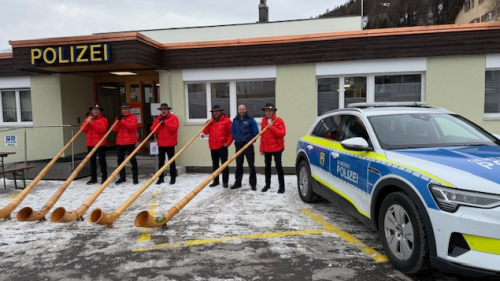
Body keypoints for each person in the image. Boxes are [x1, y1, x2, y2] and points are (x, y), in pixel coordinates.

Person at [203, 105, 233, 188]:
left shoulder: (227, 121)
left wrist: (228, 143)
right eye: (214, 111)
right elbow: (205, 132)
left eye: (217, 111)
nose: (216, 113)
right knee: (215, 165)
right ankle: (215, 181)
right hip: (213, 146)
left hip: (222, 146)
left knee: (224, 165)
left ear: (221, 112)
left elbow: (231, 133)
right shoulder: (210, 122)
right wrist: (208, 123)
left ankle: (225, 182)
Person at [259, 103, 286, 193]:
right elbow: (262, 136)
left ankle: (281, 187)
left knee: (278, 167)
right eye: (266, 111)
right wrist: (261, 148)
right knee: (267, 167)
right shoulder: (263, 121)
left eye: (270, 110)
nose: (268, 112)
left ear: (273, 111)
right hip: (266, 148)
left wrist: (272, 127)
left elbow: (282, 134)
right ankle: (267, 185)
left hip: (277, 148)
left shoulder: (279, 121)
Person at [231, 104, 259, 190]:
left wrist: (250, 140)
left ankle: (253, 184)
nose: (241, 111)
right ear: (238, 110)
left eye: (243, 109)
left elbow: (256, 133)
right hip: (239, 145)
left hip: (248, 145)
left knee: (251, 164)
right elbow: (233, 131)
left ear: (245, 110)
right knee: (239, 164)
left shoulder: (251, 120)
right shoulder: (235, 120)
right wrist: (236, 138)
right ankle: (237, 182)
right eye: (240, 109)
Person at [151, 103, 179, 185]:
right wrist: (159, 124)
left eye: (165, 109)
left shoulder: (173, 118)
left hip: (170, 143)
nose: (163, 111)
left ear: (168, 110)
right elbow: (153, 130)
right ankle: (160, 178)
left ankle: (173, 178)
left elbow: (174, 128)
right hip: (161, 144)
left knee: (171, 161)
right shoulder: (157, 119)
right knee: (161, 162)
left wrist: (165, 122)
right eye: (162, 110)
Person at [81, 104, 108, 185]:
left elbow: (102, 130)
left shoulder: (104, 120)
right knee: (92, 161)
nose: (95, 111)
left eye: (97, 110)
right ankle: (93, 178)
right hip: (90, 143)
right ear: (91, 111)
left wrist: (92, 122)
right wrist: (87, 121)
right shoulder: (88, 119)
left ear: (100, 111)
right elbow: (83, 129)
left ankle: (104, 177)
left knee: (101, 161)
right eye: (94, 110)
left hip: (100, 143)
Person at [113, 102, 139, 185]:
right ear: (121, 110)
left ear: (129, 109)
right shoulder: (118, 117)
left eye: (126, 109)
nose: (125, 110)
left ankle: (135, 177)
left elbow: (132, 127)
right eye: (123, 109)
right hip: (119, 142)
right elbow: (114, 129)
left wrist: (122, 121)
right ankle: (122, 177)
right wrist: (118, 121)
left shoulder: (133, 117)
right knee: (120, 160)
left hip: (130, 142)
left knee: (132, 160)